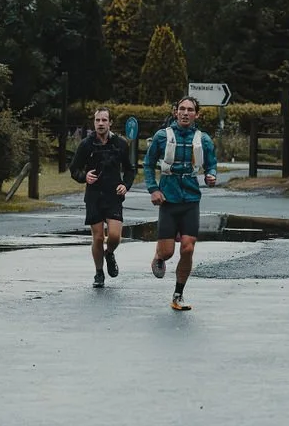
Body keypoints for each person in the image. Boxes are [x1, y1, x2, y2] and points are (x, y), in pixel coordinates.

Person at [143, 95, 218, 311]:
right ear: (176, 112)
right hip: (168, 199)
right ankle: (159, 255)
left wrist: (211, 175)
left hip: (191, 199)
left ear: (197, 114)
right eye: (182, 109)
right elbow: (148, 165)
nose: (185, 113)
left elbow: (212, 164)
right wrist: (153, 189)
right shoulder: (161, 136)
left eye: (190, 110)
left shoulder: (203, 139)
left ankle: (178, 294)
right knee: (168, 252)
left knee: (188, 248)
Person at [69, 106, 136, 287]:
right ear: (94, 122)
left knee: (114, 236)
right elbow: (74, 170)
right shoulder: (86, 145)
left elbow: (130, 170)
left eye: (104, 120)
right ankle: (99, 273)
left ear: (110, 123)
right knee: (98, 237)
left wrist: (125, 185)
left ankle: (109, 253)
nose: (100, 123)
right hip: (94, 196)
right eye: (97, 120)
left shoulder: (120, 144)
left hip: (113, 195)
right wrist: (85, 177)